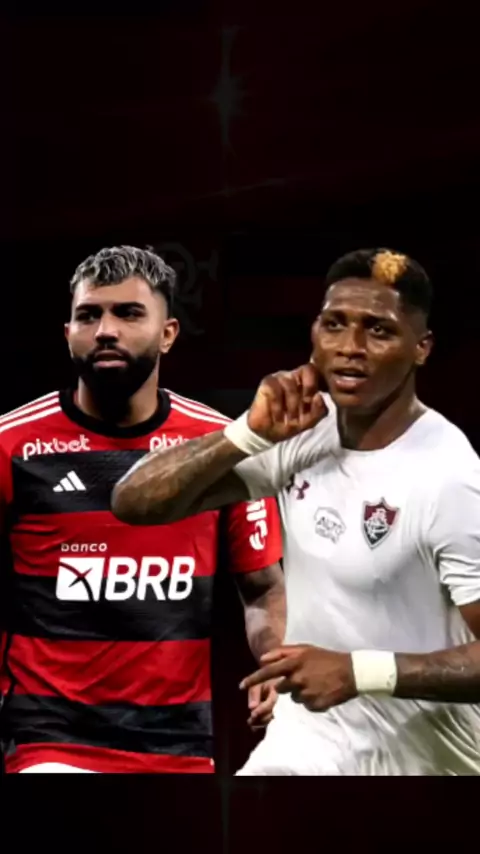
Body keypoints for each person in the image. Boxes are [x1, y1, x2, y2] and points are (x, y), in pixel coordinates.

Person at [112, 247, 480, 776]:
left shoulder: (450, 475)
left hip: (425, 763)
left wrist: (360, 672)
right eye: (335, 324)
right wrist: (246, 433)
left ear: (421, 348)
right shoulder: (303, 430)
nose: (350, 348)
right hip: (305, 746)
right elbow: (134, 503)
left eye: (378, 330)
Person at [0, 245, 285, 774]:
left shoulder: (220, 446)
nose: (105, 330)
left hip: (180, 746)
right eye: (89, 315)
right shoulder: (11, 443)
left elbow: (263, 587)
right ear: (68, 333)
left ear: (168, 333)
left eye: (128, 313)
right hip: (49, 740)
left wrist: (272, 660)